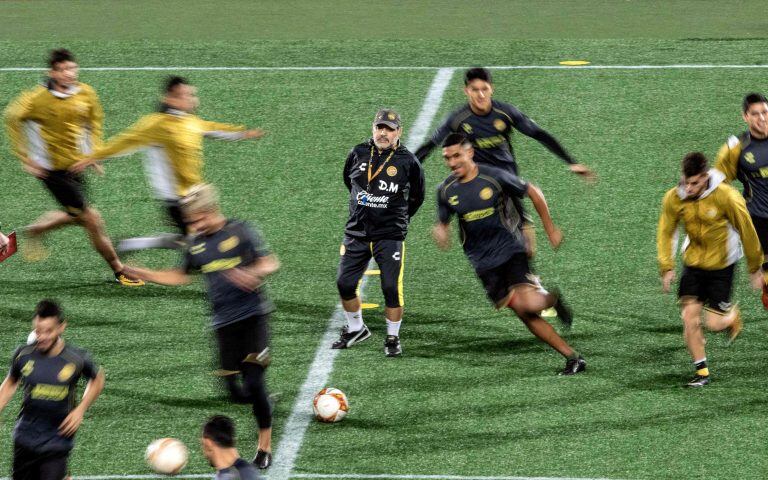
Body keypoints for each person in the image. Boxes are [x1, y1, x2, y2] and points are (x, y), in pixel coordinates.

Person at [123, 184, 278, 469]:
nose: (193, 225)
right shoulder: (196, 242)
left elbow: (270, 262)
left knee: (255, 382)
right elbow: (180, 276)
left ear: (211, 211)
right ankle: (263, 402)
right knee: (233, 390)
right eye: (190, 221)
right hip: (223, 325)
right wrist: (144, 273)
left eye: (197, 219)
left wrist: (253, 272)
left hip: (253, 318)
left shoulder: (241, 231)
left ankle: (264, 447)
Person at [432, 133, 585, 375]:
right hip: (482, 263)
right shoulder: (445, 190)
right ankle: (573, 357)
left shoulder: (492, 177)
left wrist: (550, 228)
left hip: (510, 251)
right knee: (524, 313)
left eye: (457, 155)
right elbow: (443, 220)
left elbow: (533, 191)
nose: (452, 162)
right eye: (447, 158)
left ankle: (551, 300)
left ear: (469, 153)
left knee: (526, 305)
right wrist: (441, 231)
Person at [416, 67, 594, 257]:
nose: (480, 94)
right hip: (480, 180)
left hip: (508, 179)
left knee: (528, 249)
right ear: (466, 91)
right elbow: (430, 145)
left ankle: (524, 270)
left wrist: (571, 162)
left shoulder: (505, 113)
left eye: (484, 88)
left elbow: (539, 134)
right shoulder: (458, 119)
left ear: (492, 88)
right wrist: (405, 167)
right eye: (475, 90)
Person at [71, 75, 264, 247]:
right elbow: (124, 142)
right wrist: (93, 157)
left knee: (194, 241)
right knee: (199, 245)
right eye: (186, 96)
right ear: (169, 98)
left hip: (196, 194)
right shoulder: (155, 124)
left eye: (192, 95)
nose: (192, 100)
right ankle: (133, 247)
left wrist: (243, 133)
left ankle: (130, 244)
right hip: (176, 199)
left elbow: (215, 129)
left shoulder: (191, 121)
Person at [4, 48, 142, 285]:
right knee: (92, 219)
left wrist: (94, 153)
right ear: (52, 72)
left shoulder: (86, 93)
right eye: (64, 69)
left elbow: (93, 122)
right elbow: (11, 117)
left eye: (72, 68)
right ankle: (120, 271)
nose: (70, 73)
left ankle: (37, 229)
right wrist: (26, 157)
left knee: (76, 215)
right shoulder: (36, 99)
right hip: (51, 172)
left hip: (76, 166)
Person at [657, 152, 763, 387]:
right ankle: (701, 372)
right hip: (693, 265)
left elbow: (746, 229)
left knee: (713, 324)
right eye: (686, 181)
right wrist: (666, 266)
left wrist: (755, 266)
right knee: (689, 317)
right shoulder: (675, 198)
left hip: (721, 266)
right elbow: (667, 231)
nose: (689, 187)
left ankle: (732, 317)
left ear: (705, 177)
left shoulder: (726, 196)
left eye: (695, 183)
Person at [333, 109, 425, 357]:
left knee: (390, 287)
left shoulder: (408, 161)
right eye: (379, 127)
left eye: (389, 129)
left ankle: (392, 337)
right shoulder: (358, 152)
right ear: (373, 128)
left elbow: (417, 196)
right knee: (345, 283)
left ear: (399, 132)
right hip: (357, 231)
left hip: (389, 234)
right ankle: (356, 328)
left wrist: (400, 219)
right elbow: (348, 181)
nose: (383, 133)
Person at [0, 299, 105, 480]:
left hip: (57, 440)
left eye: (48, 331)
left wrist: (81, 409)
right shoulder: (23, 354)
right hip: (25, 437)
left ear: (61, 327)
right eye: (38, 331)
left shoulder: (76, 358)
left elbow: (97, 379)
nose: (42, 337)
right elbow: (10, 382)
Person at [714, 93, 768, 309]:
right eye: (755, 114)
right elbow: (718, 184)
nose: (762, 118)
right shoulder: (736, 148)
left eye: (765, 112)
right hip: (759, 219)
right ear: (745, 117)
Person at [202, 415, 261, 480]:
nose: (204, 453)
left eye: (202, 444)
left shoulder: (236, 475)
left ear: (208, 443)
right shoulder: (245, 471)